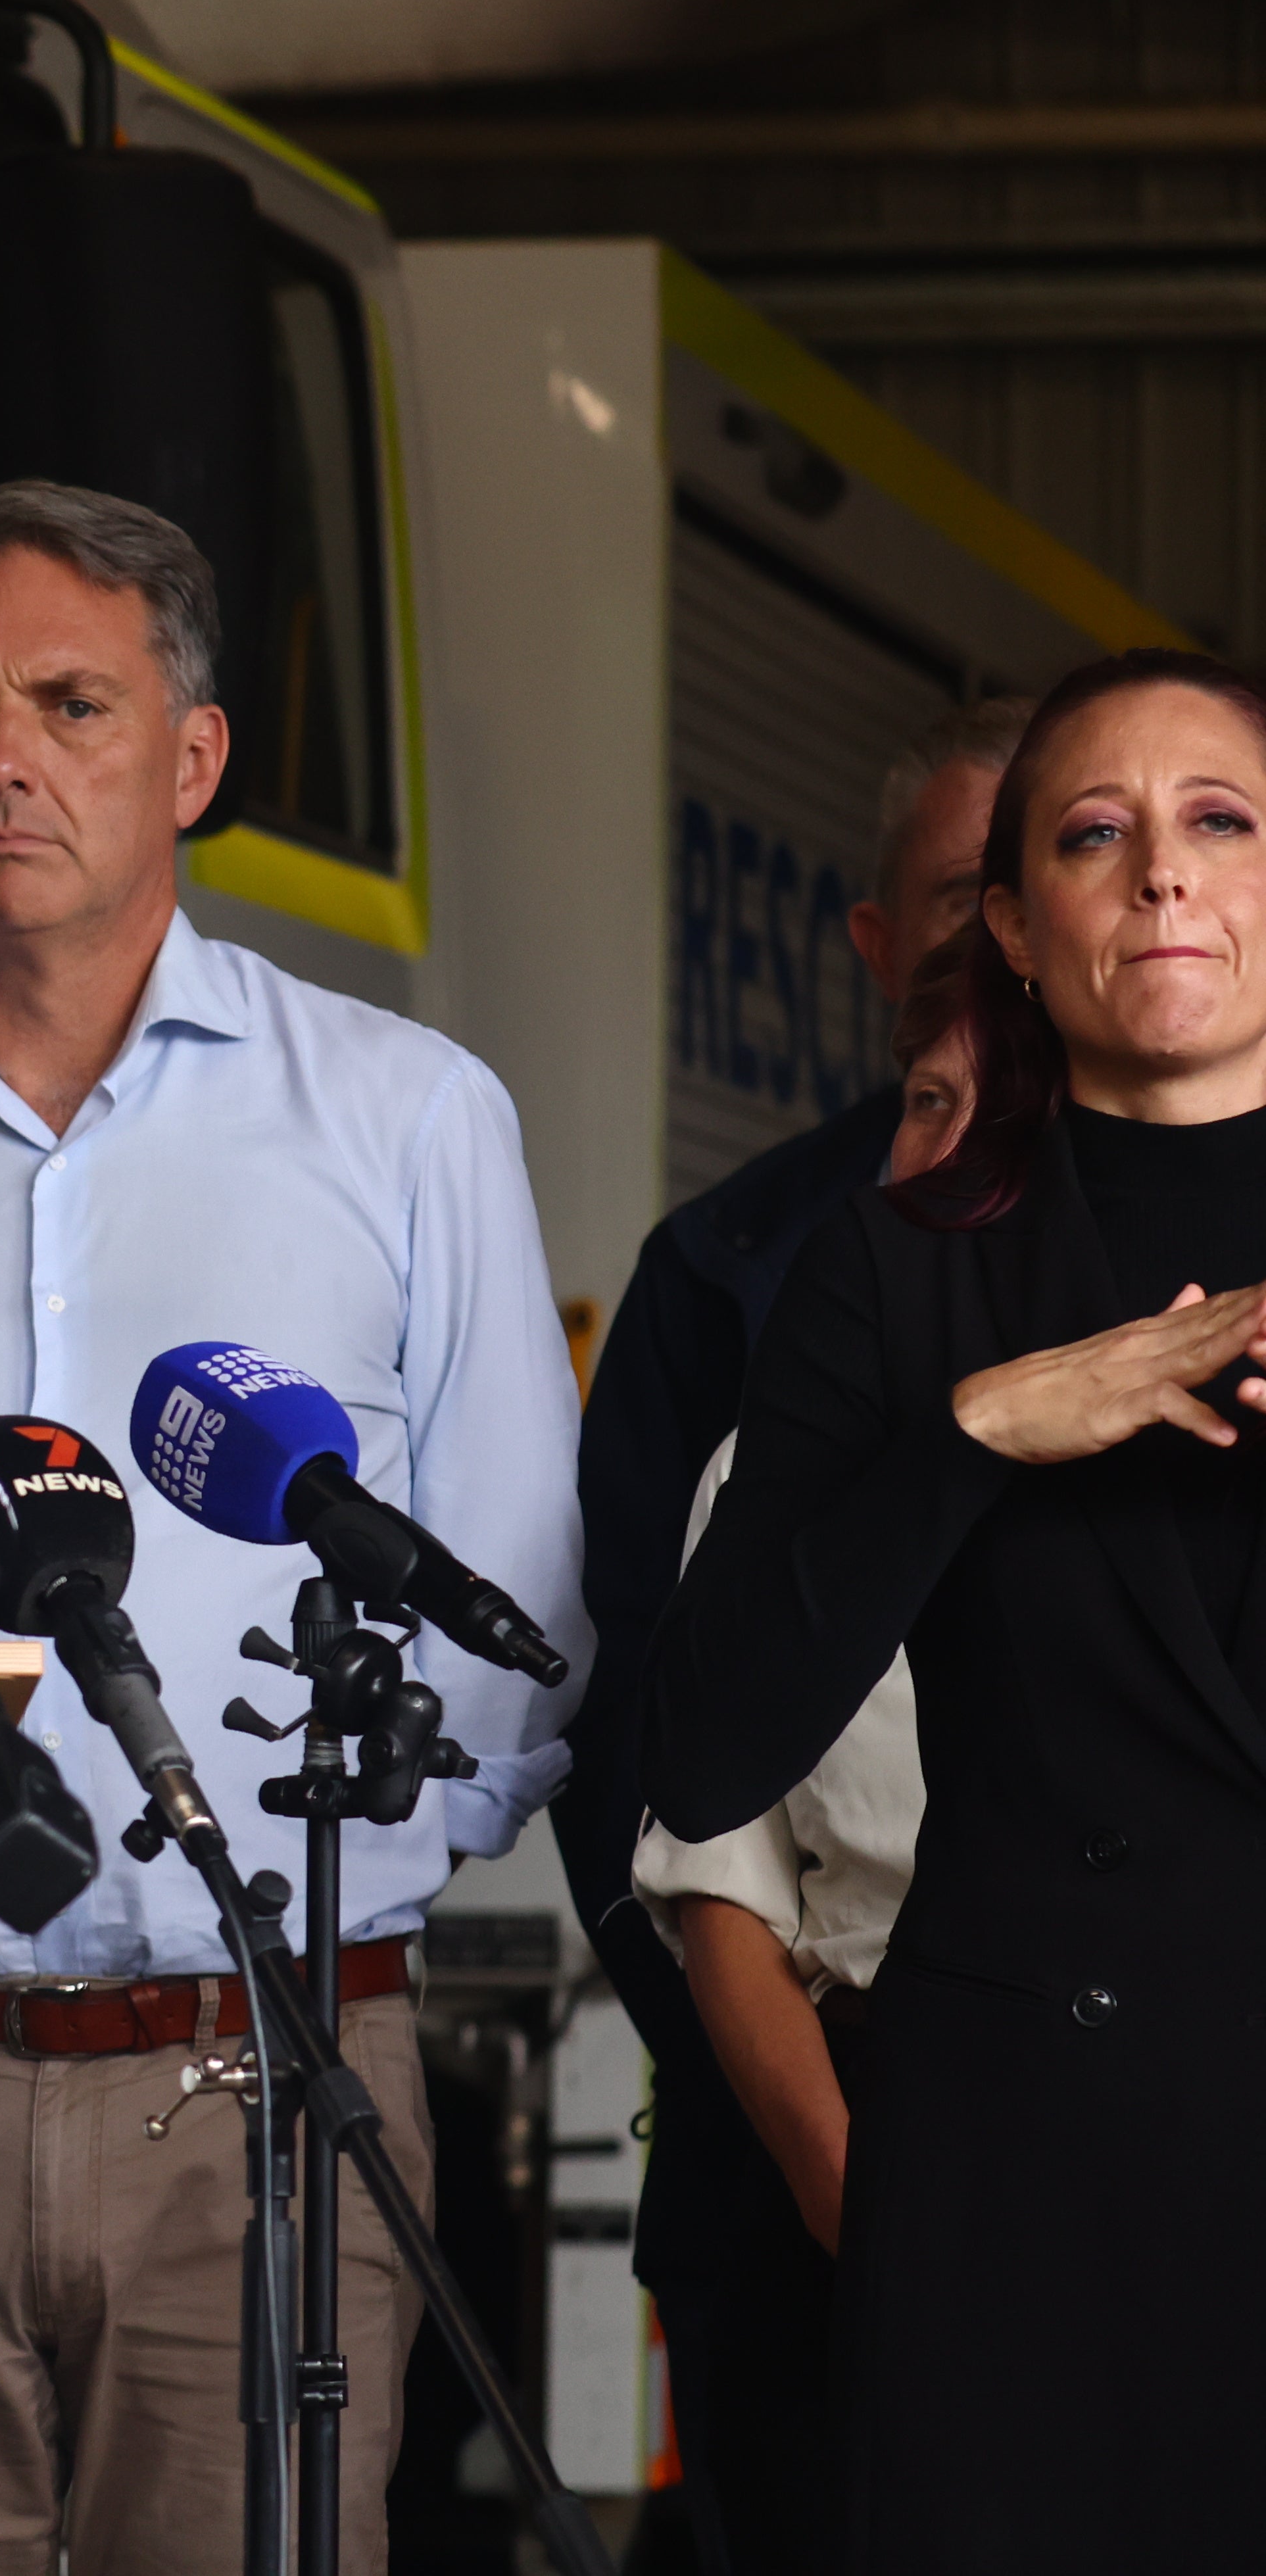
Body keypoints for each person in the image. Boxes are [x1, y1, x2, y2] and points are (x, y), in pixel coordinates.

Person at [0, 479, 588, 2576]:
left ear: (194, 757)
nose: (2, 759)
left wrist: (284, 1933)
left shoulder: (405, 1119)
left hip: (261, 2088)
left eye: (69, 702)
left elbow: (512, 1630)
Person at [652, 648, 1266, 2571]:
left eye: (1219, 821)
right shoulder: (894, 1276)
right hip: (1021, 2180)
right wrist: (981, 1433)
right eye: (1096, 834)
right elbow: (709, 1742)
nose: (1161, 874)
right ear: (1011, 920)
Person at [560, 692, 1021, 2570]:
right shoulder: (734, 1294)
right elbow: (667, 1796)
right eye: (921, 1096)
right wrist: (826, 2166)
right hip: (806, 2146)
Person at [623, 935, 971, 2574]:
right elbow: (717, 1878)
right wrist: (849, 2187)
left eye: (995, 1106)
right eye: (921, 1099)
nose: (942, 1144)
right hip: (859, 2123)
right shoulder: (771, 1462)